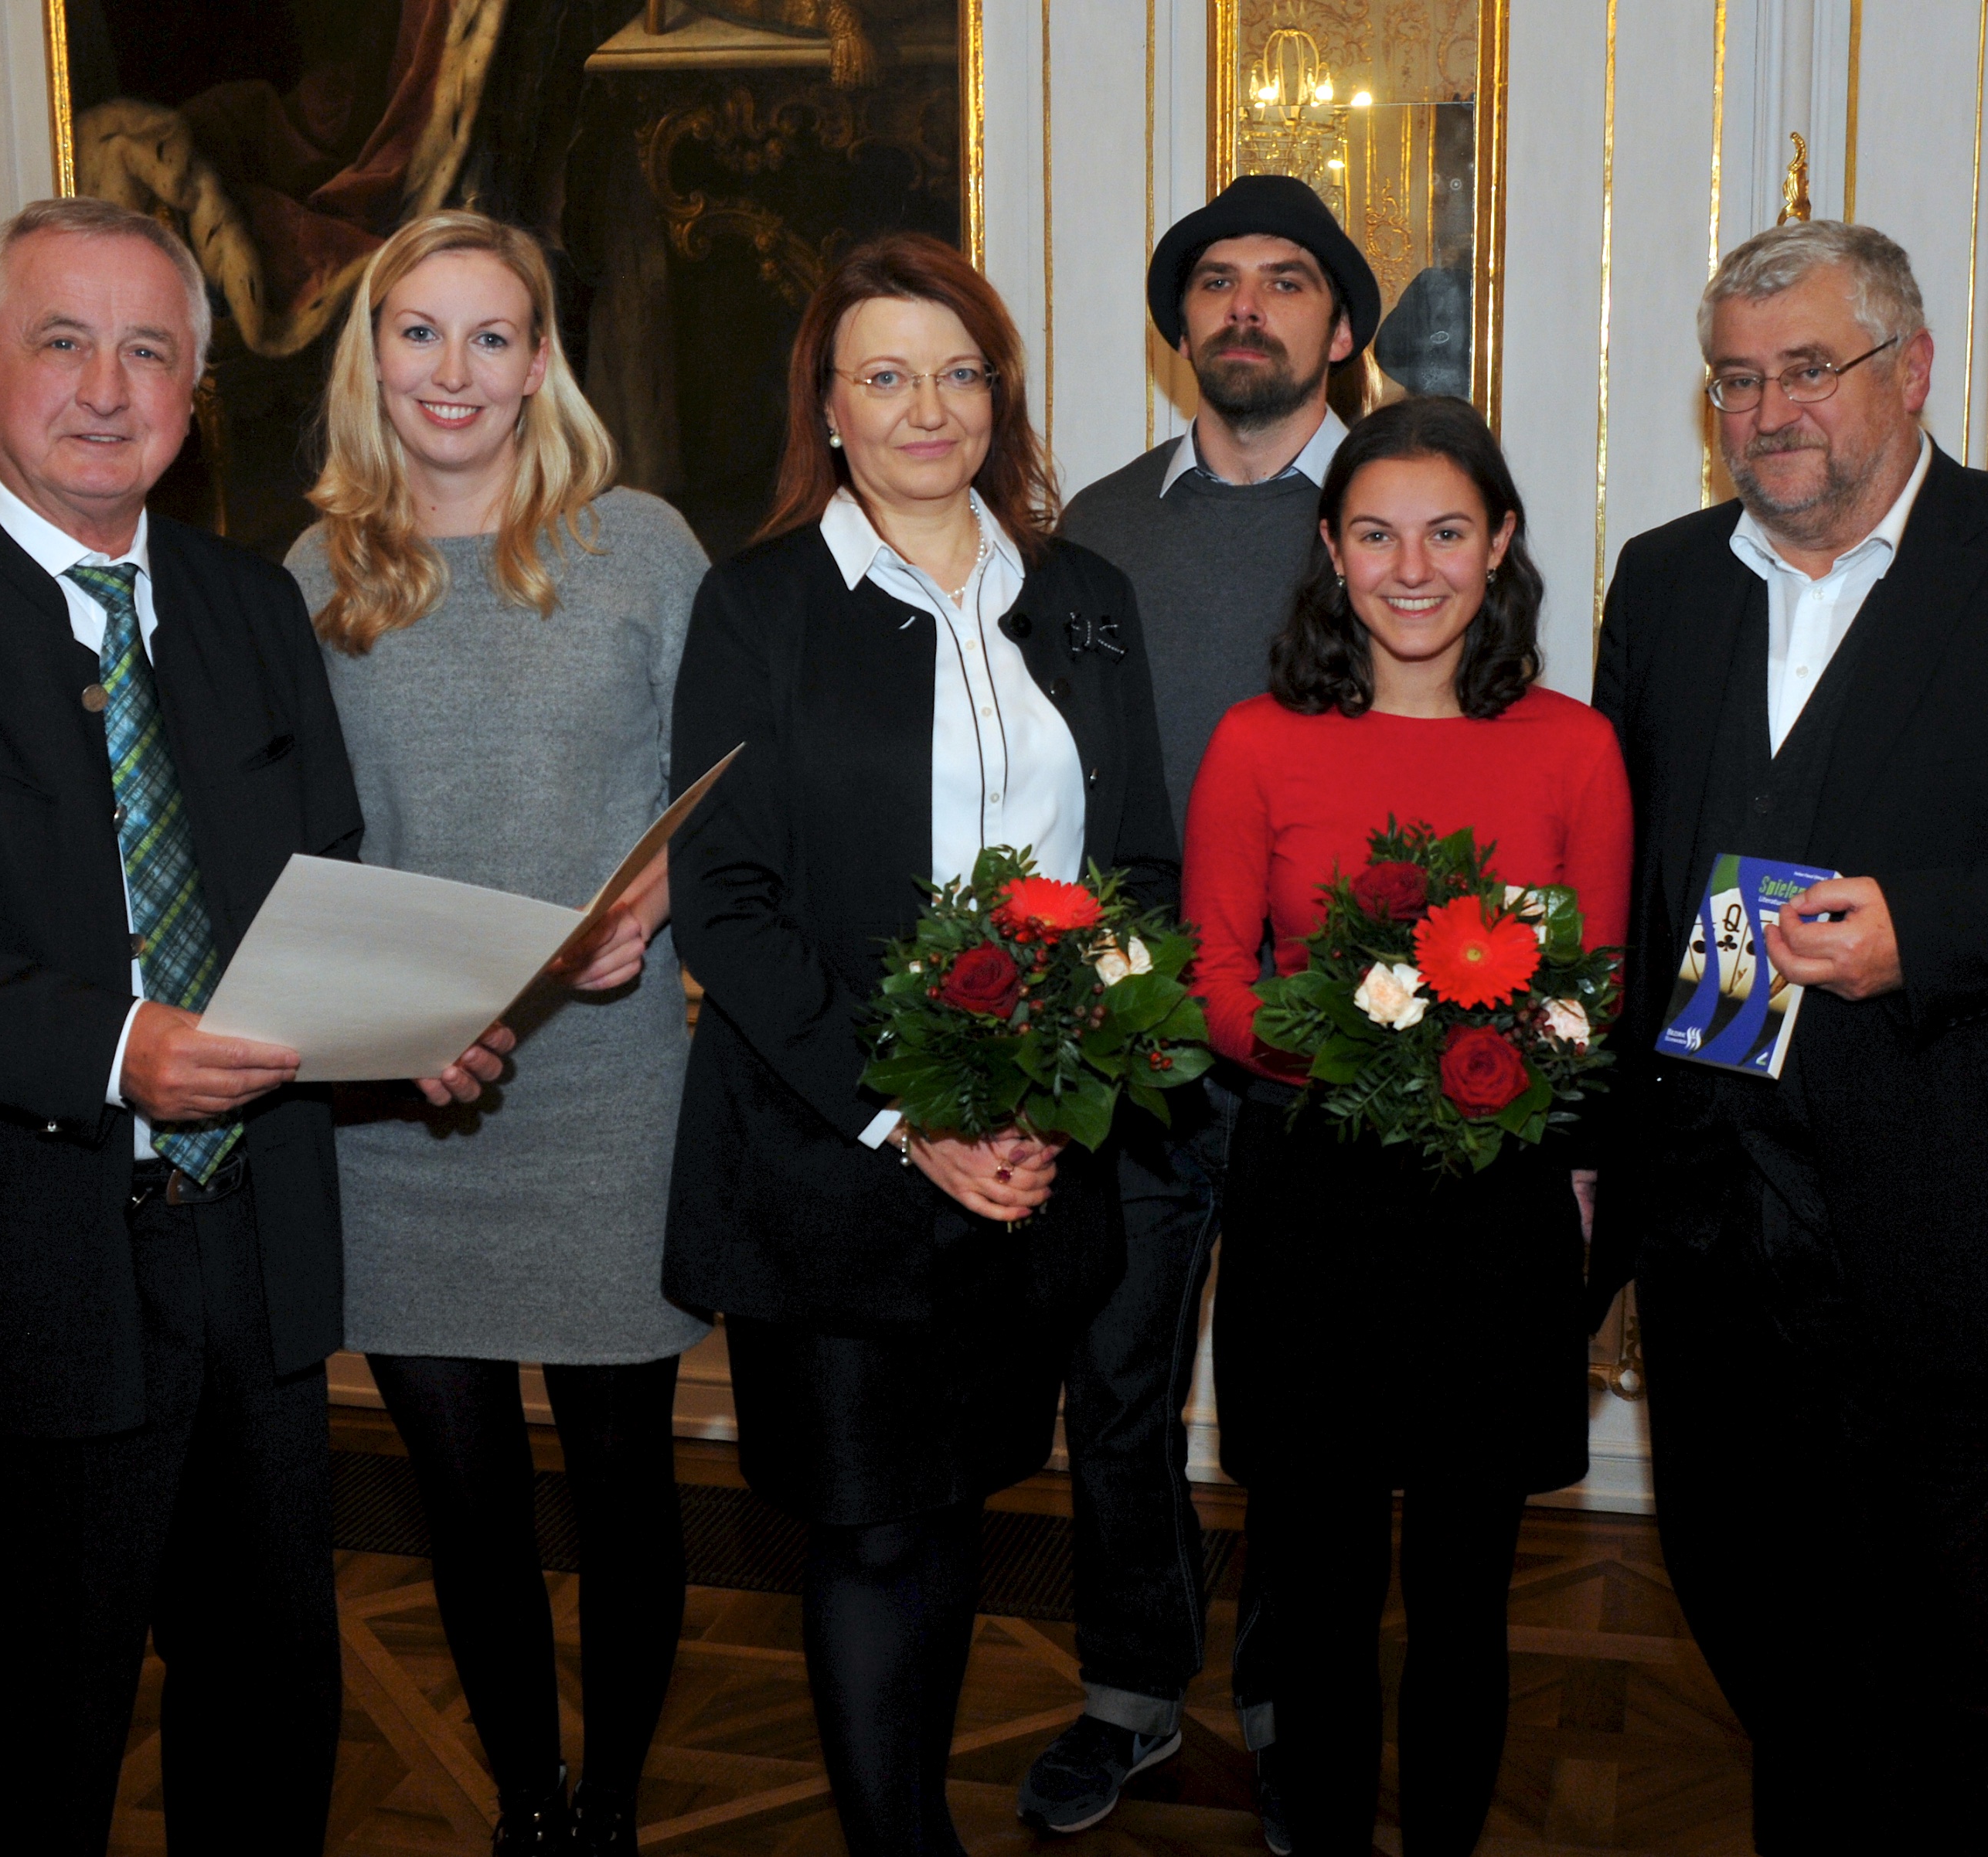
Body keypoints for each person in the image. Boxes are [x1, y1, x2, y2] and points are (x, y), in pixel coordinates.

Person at [0, 195, 508, 1854]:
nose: (104, 385)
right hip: (9, 1271)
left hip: (251, 1268)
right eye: (61, 339)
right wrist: (113, 1043)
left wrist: (402, 1021)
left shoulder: (244, 608)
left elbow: (320, 886)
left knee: (269, 1707)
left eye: (148, 349)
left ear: (192, 391)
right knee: (31, 1730)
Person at [1591, 219, 1988, 1854]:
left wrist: (1923, 931)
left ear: (1910, 368)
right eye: (1736, 379)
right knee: (1757, 1627)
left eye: (1806, 367)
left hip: (1968, 1225)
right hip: (1719, 1232)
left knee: (1957, 1673)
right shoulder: (1663, 584)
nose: (1765, 409)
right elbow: (1634, 880)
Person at [665, 231, 1178, 1857]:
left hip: (1028, 1165)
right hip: (834, 1164)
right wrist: (915, 1120)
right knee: (869, 1527)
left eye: (957, 371)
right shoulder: (752, 606)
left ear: (997, 393)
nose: (926, 406)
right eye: (884, 374)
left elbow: (1138, 874)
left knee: (958, 1500)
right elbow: (726, 901)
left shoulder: (1081, 597)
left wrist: (1035, 1105)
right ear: (826, 404)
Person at [284, 209, 709, 1857]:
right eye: (417, 332)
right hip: (401, 1108)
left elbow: (724, 790)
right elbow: (297, 842)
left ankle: (609, 1799)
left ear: (540, 362)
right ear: (371, 356)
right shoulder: (312, 574)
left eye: (487, 336)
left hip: (607, 1095)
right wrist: (372, 1030)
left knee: (620, 1484)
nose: (450, 371)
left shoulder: (640, 547)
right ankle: (526, 1798)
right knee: (459, 1496)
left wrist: (657, 889)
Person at [1183, 396, 1629, 1855]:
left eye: (1447, 531)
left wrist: (1474, 1059)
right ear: (1331, 549)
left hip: (1489, 1209)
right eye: (1375, 534)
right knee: (1310, 1591)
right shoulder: (1257, 743)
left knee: (1461, 1589)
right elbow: (1212, 981)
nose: (1412, 566)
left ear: (1499, 545)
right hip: (1309, 1195)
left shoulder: (1572, 749)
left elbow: (1596, 989)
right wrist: (1385, 1046)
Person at [1023, 172, 1382, 1845]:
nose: (1247, 307)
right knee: (1112, 1381)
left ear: (1338, 325)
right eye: (1215, 283)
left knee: (1306, 1401)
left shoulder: (1387, 509)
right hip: (1135, 1029)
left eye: (1285, 281)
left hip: (1333, 1027)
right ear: (1179, 329)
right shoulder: (1091, 527)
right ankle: (1127, 1684)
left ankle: (1290, 1701)